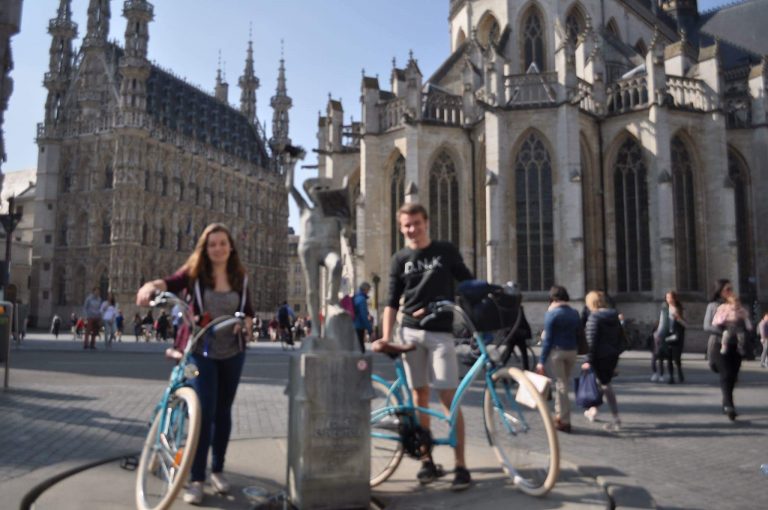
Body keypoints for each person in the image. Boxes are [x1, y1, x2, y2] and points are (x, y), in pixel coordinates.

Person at [136, 222, 254, 505]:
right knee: (204, 412)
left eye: (222, 243)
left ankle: (218, 470)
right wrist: (150, 286)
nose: (218, 248)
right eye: (212, 244)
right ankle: (197, 478)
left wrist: (245, 326)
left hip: (232, 352)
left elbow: (248, 311)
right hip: (202, 351)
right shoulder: (194, 274)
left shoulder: (240, 276)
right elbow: (169, 282)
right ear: (205, 248)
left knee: (224, 412)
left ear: (230, 247)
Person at [372, 203, 473, 491]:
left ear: (426, 223)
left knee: (448, 397)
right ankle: (427, 461)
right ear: (401, 228)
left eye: (416, 223)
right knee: (419, 395)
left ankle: (461, 465)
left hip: (441, 333)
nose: (412, 229)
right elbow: (391, 302)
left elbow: (467, 281)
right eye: (406, 225)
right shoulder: (400, 258)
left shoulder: (445, 250)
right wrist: (387, 336)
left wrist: (487, 295)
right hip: (410, 334)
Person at [536, 285, 581, 433]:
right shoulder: (574, 313)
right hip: (572, 352)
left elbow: (548, 340)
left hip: (557, 353)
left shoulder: (552, 314)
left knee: (561, 385)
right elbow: (578, 332)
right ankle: (559, 416)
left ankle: (564, 421)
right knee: (563, 384)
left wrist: (541, 360)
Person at [582, 290, 623, 432]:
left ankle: (616, 418)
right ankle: (593, 410)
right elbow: (620, 337)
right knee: (600, 382)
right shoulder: (613, 316)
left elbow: (591, 341)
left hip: (600, 356)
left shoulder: (594, 317)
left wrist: (588, 359)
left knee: (605, 385)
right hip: (612, 355)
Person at [711, 282, 752, 421]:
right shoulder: (714, 306)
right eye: (727, 289)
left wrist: (742, 329)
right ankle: (729, 405)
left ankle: (725, 401)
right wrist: (724, 330)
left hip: (736, 346)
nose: (730, 291)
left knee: (733, 377)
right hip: (720, 345)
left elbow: (746, 322)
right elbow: (707, 325)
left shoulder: (739, 306)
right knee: (726, 374)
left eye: (731, 289)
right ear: (721, 291)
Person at [651, 291, 686, 384]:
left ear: (674, 298)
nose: (669, 299)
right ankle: (671, 377)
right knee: (669, 357)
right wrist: (658, 333)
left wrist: (679, 318)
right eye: (667, 298)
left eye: (670, 297)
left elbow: (685, 324)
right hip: (667, 335)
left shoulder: (680, 309)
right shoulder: (664, 310)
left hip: (677, 336)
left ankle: (679, 371)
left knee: (676, 357)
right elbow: (661, 323)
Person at [353, 282, 373, 353]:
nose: (368, 292)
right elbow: (363, 316)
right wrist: (370, 329)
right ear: (365, 289)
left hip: (354, 325)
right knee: (361, 349)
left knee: (357, 348)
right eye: (368, 290)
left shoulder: (356, 297)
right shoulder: (362, 300)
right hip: (359, 326)